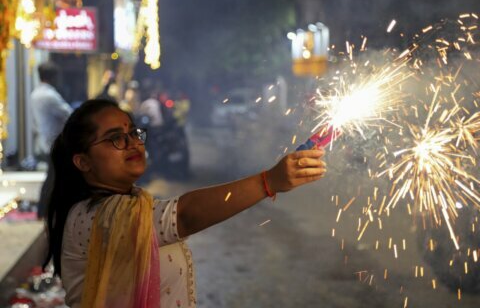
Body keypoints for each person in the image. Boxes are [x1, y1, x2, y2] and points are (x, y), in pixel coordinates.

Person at [43, 99, 326, 307]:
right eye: (115, 139)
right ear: (83, 161)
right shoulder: (92, 217)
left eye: (132, 133)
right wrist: (268, 182)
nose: (132, 143)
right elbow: (185, 215)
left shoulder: (132, 202)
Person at [30, 61, 72, 218]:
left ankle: (44, 210)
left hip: (46, 140)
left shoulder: (35, 94)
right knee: (54, 178)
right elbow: (69, 114)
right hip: (56, 141)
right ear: (53, 77)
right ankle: (45, 210)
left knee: (53, 177)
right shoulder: (50, 95)